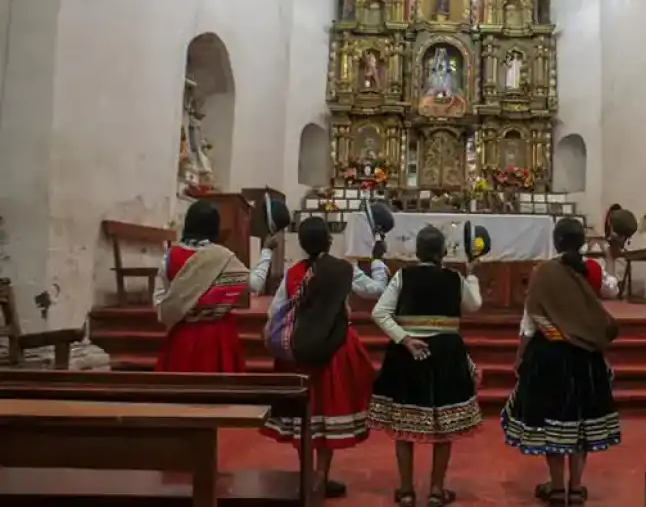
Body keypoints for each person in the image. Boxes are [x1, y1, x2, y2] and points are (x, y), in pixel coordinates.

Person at [261, 216, 388, 500]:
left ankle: (306, 473)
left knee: (304, 415)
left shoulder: (293, 272)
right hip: (334, 349)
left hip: (299, 352)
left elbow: (275, 312)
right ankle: (321, 477)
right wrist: (378, 261)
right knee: (327, 412)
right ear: (330, 241)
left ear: (303, 245)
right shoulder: (344, 269)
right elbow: (375, 291)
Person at [501, 217, 621, 507]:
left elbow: (530, 322)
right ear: (581, 242)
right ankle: (576, 486)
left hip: (550, 354)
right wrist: (610, 260)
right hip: (587, 358)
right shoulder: (592, 270)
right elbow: (612, 290)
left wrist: (519, 357)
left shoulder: (543, 273)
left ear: (555, 241)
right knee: (580, 423)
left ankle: (556, 487)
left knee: (552, 421)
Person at [368, 225, 483, 507]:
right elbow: (474, 306)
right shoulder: (454, 278)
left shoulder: (402, 277)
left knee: (402, 423)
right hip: (446, 353)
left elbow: (379, 312)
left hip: (408, 354)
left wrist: (404, 338)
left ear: (416, 252)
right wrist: (473, 276)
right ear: (443, 253)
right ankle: (435, 490)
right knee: (444, 427)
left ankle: (406, 491)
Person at [153, 200, 275, 372]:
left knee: (181, 389)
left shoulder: (170, 256)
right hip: (218, 336)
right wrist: (267, 252)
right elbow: (256, 284)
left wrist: (181, 310)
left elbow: (159, 299)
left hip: (182, 336)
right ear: (214, 226)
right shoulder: (222, 257)